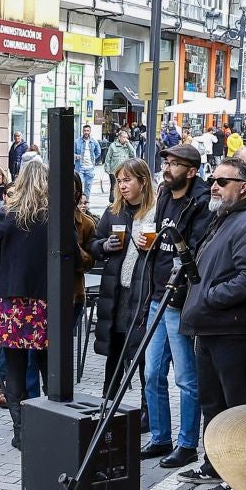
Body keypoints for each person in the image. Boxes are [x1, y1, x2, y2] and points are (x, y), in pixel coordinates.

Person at [180, 156, 246, 490]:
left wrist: (210, 296)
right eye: (213, 180)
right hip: (212, 326)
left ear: (243, 187)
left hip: (234, 328)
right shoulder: (225, 218)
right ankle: (215, 465)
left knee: (239, 406)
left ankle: (243, 475)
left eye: (222, 181)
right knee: (213, 403)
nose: (213, 186)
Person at [138, 143, 213, 469]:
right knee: (152, 373)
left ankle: (187, 444)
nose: (167, 168)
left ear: (192, 171)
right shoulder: (166, 195)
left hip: (179, 300)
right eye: (166, 161)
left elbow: (195, 251)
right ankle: (160, 437)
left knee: (185, 378)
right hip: (158, 295)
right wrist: (147, 246)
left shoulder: (202, 202)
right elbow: (160, 240)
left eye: (175, 164)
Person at [0, 158, 52, 449]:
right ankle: (52, 426)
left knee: (15, 371)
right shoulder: (56, 217)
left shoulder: (5, 217)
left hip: (11, 304)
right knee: (51, 371)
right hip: (46, 302)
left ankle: (21, 432)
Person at [90, 158, 158, 381]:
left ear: (144, 181)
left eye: (127, 180)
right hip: (117, 293)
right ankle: (108, 409)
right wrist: (104, 245)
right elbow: (94, 243)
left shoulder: (156, 212)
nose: (122, 186)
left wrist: (153, 245)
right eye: (119, 181)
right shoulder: (113, 211)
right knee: (115, 354)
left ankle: (145, 412)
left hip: (143, 294)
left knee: (145, 361)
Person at [73, 123, 103, 199]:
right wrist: (76, 156)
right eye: (85, 131)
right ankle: (79, 202)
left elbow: (98, 152)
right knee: (80, 186)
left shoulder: (94, 141)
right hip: (80, 168)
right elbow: (72, 152)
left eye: (88, 131)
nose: (86, 132)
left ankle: (86, 203)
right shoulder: (77, 141)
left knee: (88, 187)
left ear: (90, 131)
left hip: (90, 168)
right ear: (82, 131)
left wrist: (93, 159)